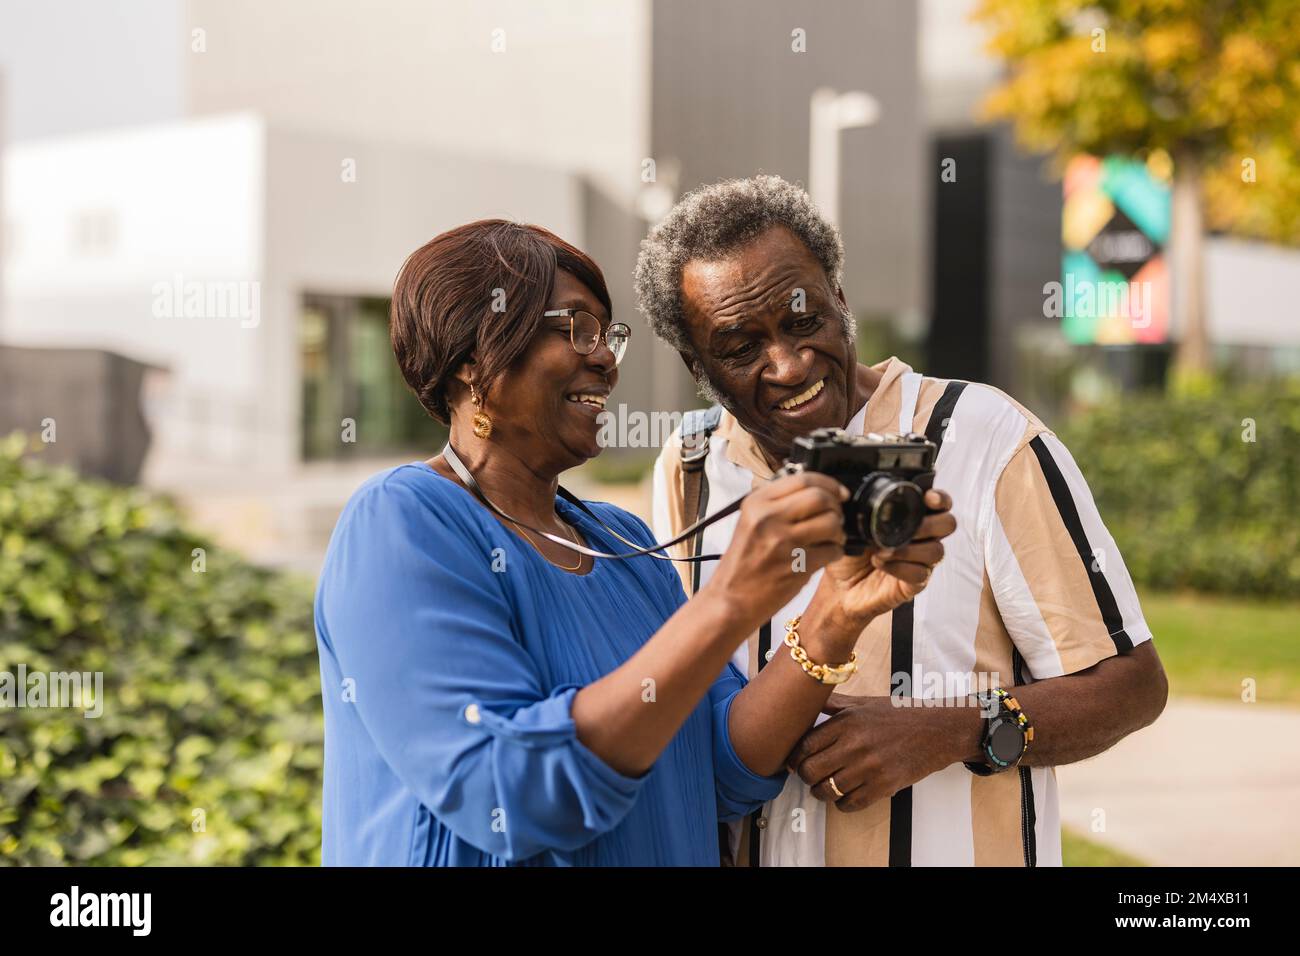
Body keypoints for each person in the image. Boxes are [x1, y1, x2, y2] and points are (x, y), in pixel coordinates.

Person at [314, 218, 954, 865]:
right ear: (474, 358)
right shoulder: (403, 524)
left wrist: (837, 612)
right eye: (579, 330)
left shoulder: (620, 541)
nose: (605, 361)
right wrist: (730, 599)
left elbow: (722, 766)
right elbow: (512, 795)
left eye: (608, 336)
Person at [638, 175, 1169, 867]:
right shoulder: (689, 465)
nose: (790, 365)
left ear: (841, 302)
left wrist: (953, 731)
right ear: (696, 364)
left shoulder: (987, 439)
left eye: (805, 323)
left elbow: (1131, 683)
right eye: (740, 347)